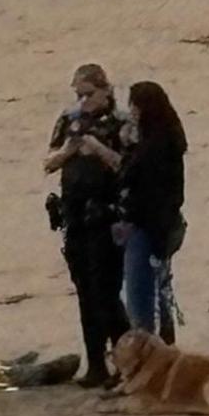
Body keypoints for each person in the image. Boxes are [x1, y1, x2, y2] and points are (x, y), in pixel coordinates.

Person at [43, 63, 132, 388]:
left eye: (88, 94)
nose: (83, 101)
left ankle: (125, 362)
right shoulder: (69, 120)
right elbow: (48, 163)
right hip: (74, 214)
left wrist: (97, 148)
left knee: (106, 290)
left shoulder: (122, 123)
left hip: (107, 217)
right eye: (78, 95)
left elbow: (128, 166)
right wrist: (69, 150)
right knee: (84, 290)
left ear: (106, 90)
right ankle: (96, 364)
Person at [113, 81, 187, 342]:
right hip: (163, 227)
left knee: (140, 298)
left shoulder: (152, 146)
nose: (131, 110)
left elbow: (131, 178)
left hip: (147, 228)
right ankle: (165, 348)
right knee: (160, 292)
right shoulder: (168, 138)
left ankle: (149, 354)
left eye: (134, 104)